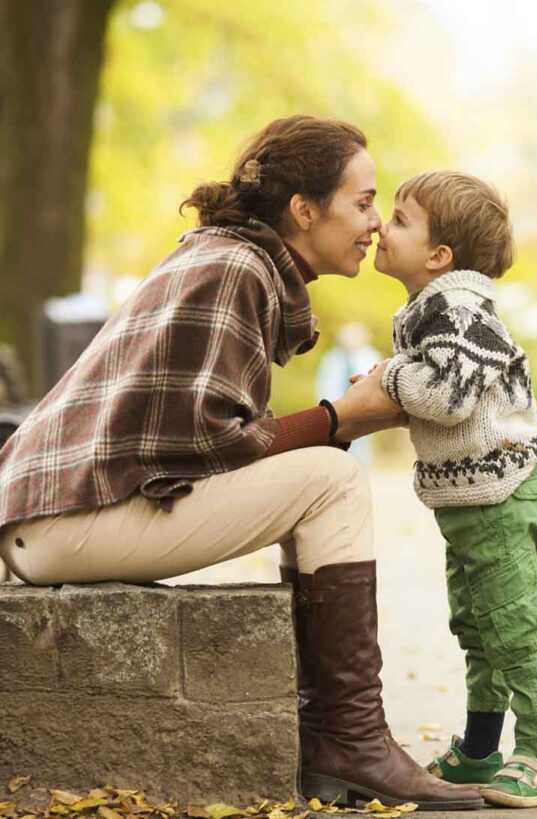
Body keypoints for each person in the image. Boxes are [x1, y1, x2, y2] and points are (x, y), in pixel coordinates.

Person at [0, 116, 483, 812]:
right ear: (304, 210)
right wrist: (342, 419)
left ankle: (341, 738)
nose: (375, 223)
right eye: (363, 201)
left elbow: (197, 441)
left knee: (325, 470)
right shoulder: (238, 267)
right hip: (61, 524)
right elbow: (213, 444)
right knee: (334, 476)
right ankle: (348, 740)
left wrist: (333, 422)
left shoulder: (229, 256)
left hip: (54, 518)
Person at [372, 171, 537, 808]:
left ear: (438, 256)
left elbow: (449, 399)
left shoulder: (461, 313)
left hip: (503, 499)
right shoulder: (430, 311)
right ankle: (481, 748)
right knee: (477, 628)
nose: (380, 225)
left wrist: (389, 378)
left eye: (399, 219)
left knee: (514, 628)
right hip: (469, 504)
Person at [316, 323, 381, 465]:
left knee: (361, 446)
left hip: (366, 408)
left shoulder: (371, 356)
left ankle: (360, 469)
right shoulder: (332, 359)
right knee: (337, 447)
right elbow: (324, 384)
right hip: (337, 409)